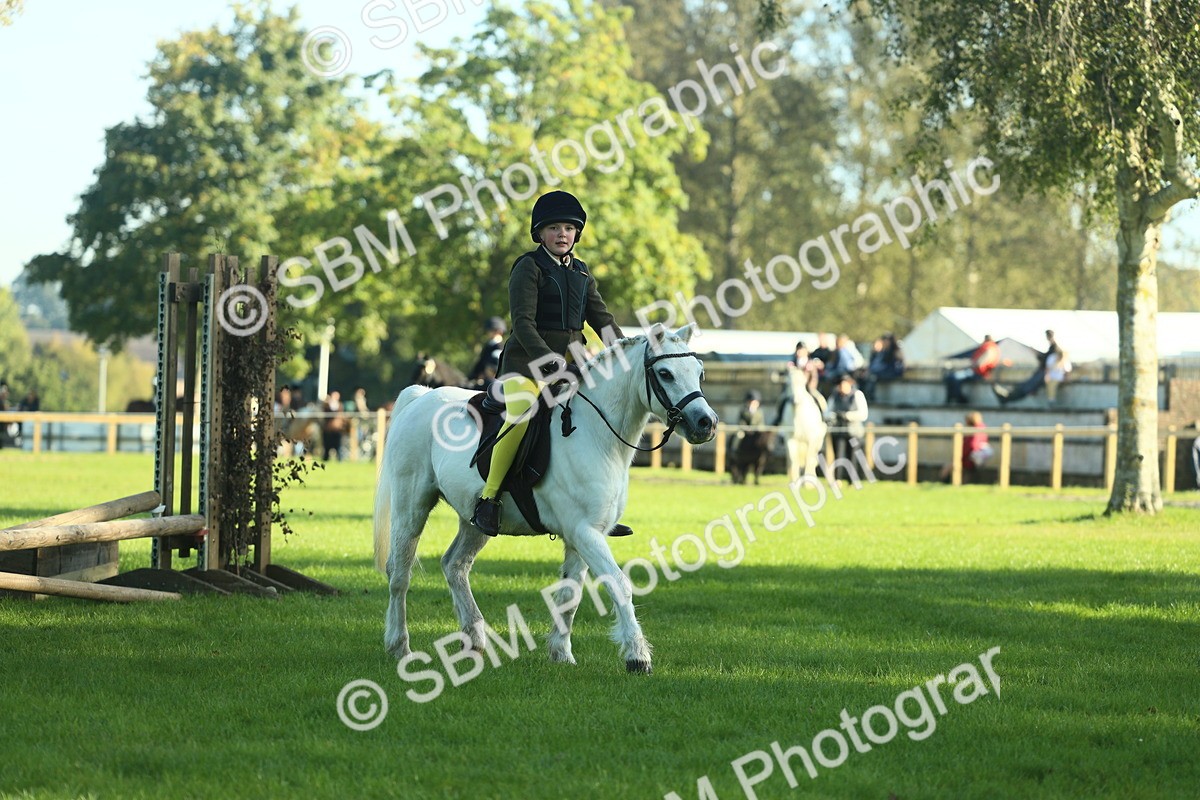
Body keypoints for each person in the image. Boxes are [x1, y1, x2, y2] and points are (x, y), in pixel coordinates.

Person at [472, 190, 625, 537]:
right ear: (539, 233)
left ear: (576, 234)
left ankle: (595, 507)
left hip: (573, 369)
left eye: (569, 228)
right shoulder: (529, 267)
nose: (562, 234)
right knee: (523, 413)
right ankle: (490, 497)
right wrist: (550, 364)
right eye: (554, 228)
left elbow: (602, 320)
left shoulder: (582, 273)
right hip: (525, 366)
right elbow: (523, 324)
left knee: (599, 417)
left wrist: (625, 351)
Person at [993, 330, 1064, 405]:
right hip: (1042, 372)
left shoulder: (1055, 349)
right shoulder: (1053, 348)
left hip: (1045, 374)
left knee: (1026, 387)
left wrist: (1036, 354)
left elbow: (1047, 362)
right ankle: (1007, 396)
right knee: (1024, 385)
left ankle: (1007, 398)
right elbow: (1045, 359)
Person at [824, 374, 868, 481]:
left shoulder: (857, 395)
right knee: (837, 456)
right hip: (838, 431)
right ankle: (837, 479)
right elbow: (827, 412)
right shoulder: (834, 396)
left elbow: (863, 414)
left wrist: (847, 415)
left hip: (853, 431)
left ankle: (852, 480)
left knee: (852, 456)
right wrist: (835, 415)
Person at [944, 334, 1000, 404]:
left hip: (977, 373)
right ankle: (953, 398)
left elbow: (980, 363)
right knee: (951, 377)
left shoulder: (989, 348)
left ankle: (959, 399)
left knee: (953, 377)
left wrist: (973, 364)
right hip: (975, 371)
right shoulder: (993, 347)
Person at [940, 411, 993, 482]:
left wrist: (961, 455)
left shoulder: (974, 431)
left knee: (950, 467)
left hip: (970, 456)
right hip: (973, 456)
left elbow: (972, 445)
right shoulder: (980, 429)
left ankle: (944, 481)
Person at [862, 333, 905, 402]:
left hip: (892, 373)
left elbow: (894, 367)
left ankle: (871, 397)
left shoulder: (894, 352)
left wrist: (873, 371)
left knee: (872, 377)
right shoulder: (884, 352)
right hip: (885, 372)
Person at [467, 316, 507, 390]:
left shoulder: (499, 347)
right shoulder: (489, 346)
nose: (488, 333)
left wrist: (483, 377)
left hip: (492, 382)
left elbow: (494, 369)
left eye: (491, 331)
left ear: (499, 332)